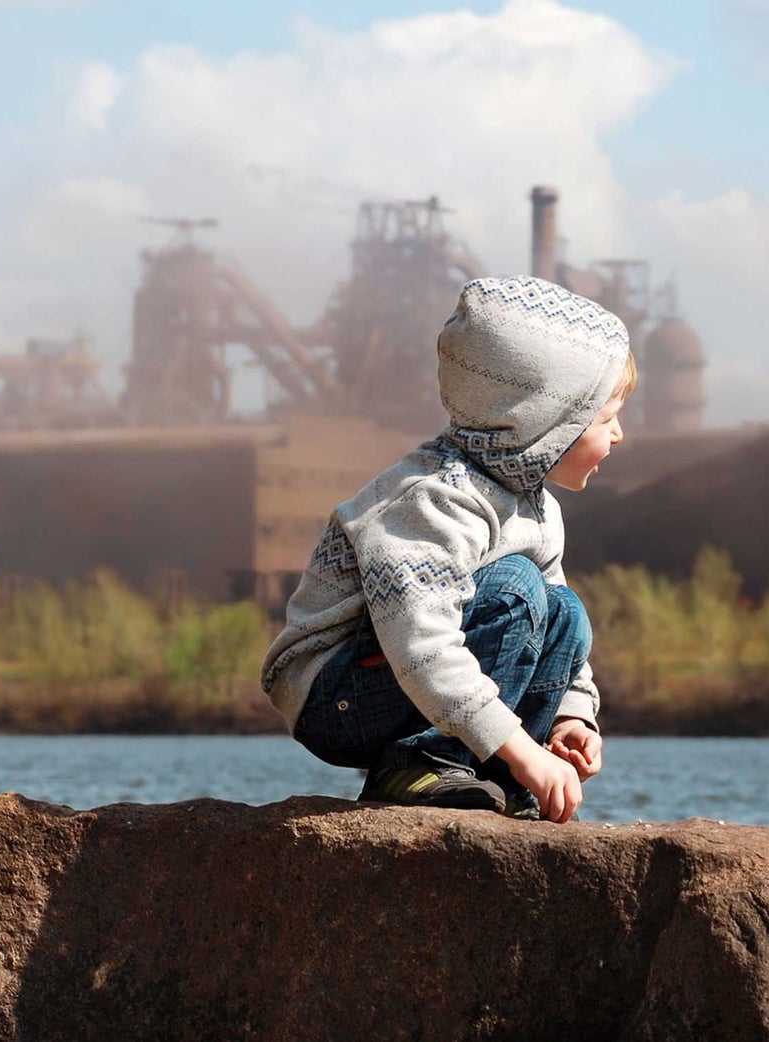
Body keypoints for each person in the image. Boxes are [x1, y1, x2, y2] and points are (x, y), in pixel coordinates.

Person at [261, 276, 631, 823]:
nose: (619, 435)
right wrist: (524, 749)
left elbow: (557, 636)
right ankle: (419, 762)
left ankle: (497, 781)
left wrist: (570, 718)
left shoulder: (537, 508)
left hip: (402, 681)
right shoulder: (434, 500)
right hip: (334, 694)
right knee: (516, 590)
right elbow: (419, 644)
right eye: (606, 418)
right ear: (545, 424)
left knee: (564, 608)